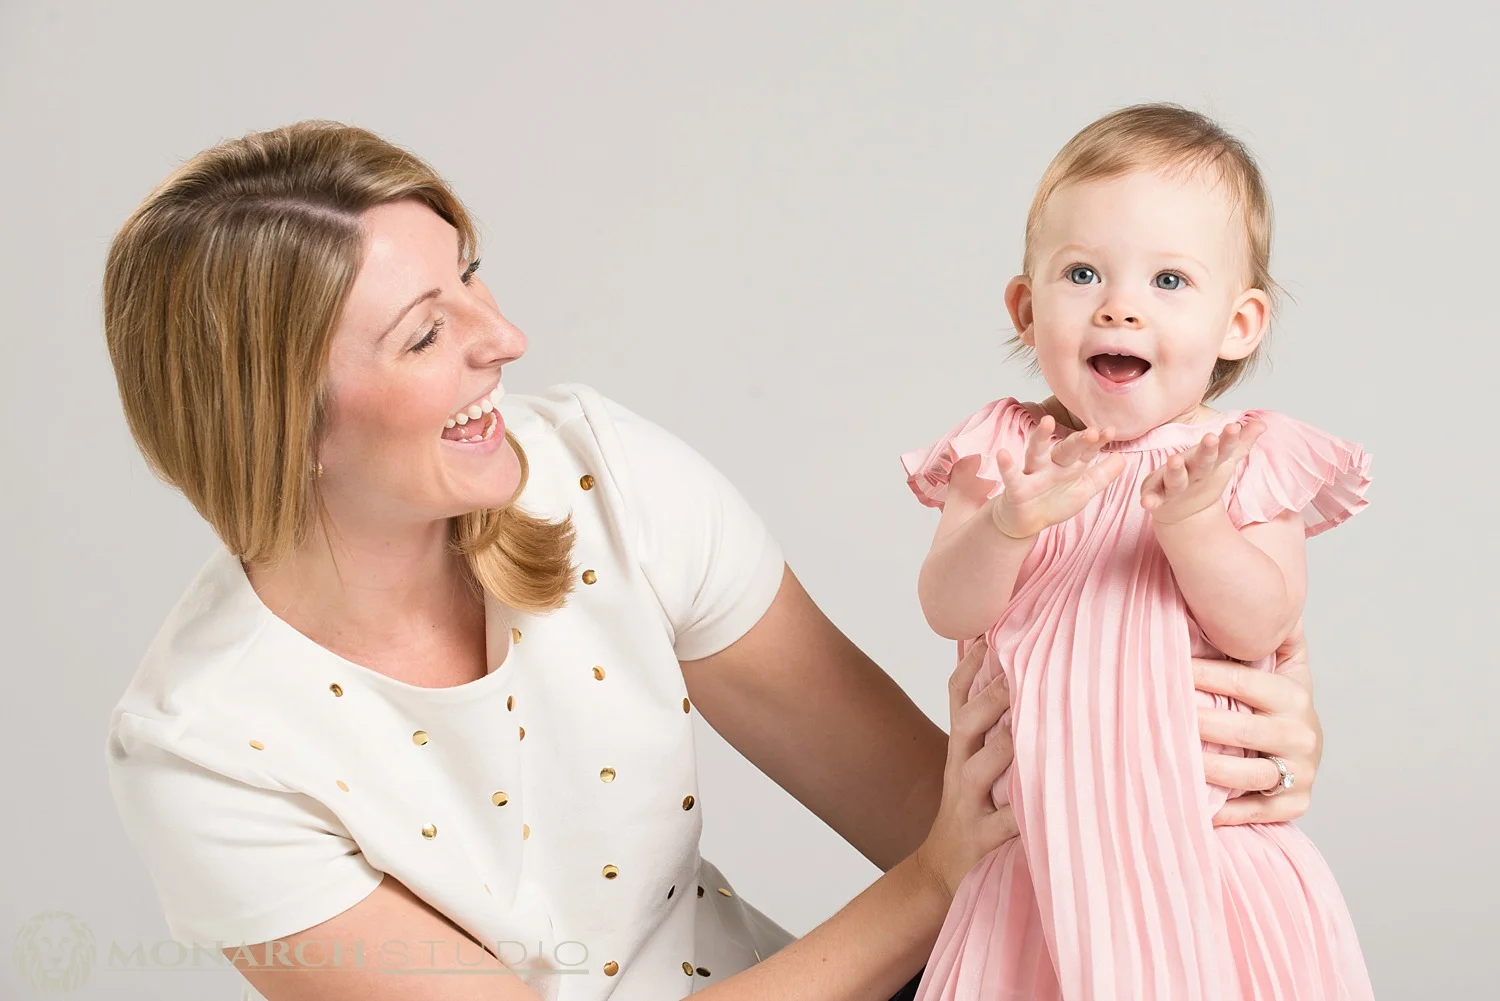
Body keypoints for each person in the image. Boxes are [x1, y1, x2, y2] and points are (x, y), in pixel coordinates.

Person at [101, 120, 1330, 1001]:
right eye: (428, 332)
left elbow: (948, 808)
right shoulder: (208, 749)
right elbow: (944, 853)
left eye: (469, 278)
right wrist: (936, 876)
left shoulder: (602, 479)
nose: (507, 339)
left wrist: (1195, 741)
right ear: (281, 423)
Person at [900, 104, 1373, 1000]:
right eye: (1083, 273)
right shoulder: (1001, 454)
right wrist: (1008, 523)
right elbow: (947, 609)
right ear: (1025, 306)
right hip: (1032, 870)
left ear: (1239, 325)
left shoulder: (1238, 460)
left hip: (1207, 856)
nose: (1120, 303)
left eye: (1169, 280)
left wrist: (1193, 525)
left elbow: (1262, 620)